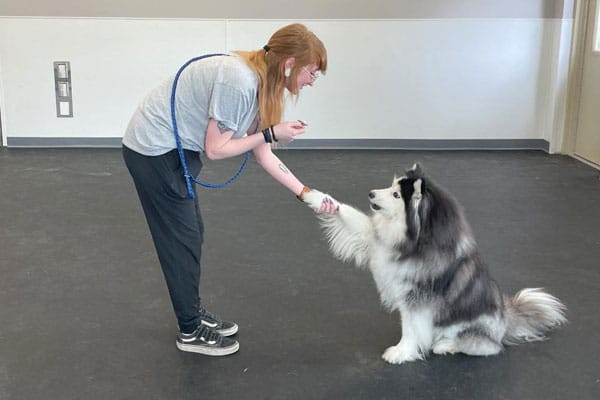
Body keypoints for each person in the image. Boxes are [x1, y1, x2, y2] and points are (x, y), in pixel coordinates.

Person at [122, 23, 327, 356]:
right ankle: (189, 330)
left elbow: (262, 150)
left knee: (192, 233)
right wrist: (271, 133)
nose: (310, 81)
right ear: (289, 64)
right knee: (181, 240)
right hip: (153, 150)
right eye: (310, 72)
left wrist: (306, 193)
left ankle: (190, 310)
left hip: (175, 149)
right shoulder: (240, 81)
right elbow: (217, 150)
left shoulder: (264, 84)